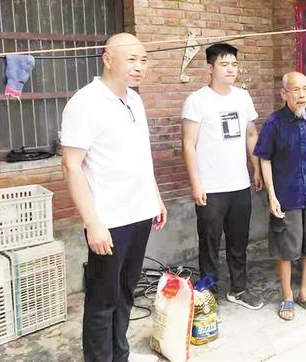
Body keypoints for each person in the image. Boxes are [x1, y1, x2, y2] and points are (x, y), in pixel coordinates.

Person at [61, 33, 167, 362]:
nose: (139, 67)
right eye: (131, 59)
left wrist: (156, 197)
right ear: (108, 59)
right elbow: (71, 166)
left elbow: (141, 156)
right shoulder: (85, 103)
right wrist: (92, 222)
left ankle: (120, 355)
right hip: (108, 220)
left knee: (125, 294)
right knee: (102, 300)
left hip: (140, 213)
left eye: (143, 60)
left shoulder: (135, 100)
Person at [182, 43, 264, 310]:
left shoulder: (242, 97)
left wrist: (256, 168)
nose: (231, 69)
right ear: (210, 68)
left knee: (239, 242)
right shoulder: (197, 100)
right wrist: (196, 184)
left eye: (234, 64)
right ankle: (208, 294)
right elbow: (188, 144)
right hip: (210, 188)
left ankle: (239, 289)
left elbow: (251, 135)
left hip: (239, 185)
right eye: (224, 64)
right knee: (209, 244)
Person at [254, 71, 306, 321]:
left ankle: (304, 293)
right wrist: (272, 196)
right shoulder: (274, 123)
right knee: (285, 250)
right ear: (284, 93)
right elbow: (264, 159)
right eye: (296, 90)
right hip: (287, 197)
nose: (301, 95)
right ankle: (287, 295)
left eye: (305, 89)